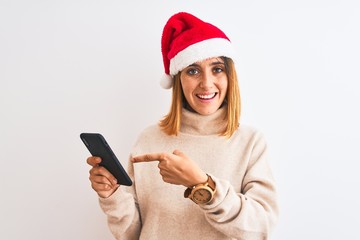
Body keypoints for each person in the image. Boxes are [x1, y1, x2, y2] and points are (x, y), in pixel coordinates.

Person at [87, 12, 278, 240]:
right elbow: (132, 234)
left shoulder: (250, 142)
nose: (206, 83)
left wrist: (203, 185)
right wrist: (113, 196)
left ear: (229, 77)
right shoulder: (149, 139)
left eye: (217, 69)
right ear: (179, 79)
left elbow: (261, 228)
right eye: (193, 71)